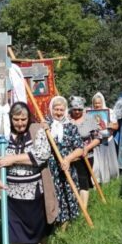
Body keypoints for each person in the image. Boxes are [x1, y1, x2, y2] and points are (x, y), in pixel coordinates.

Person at [0, 102, 57, 244]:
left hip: (35, 191)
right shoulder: (2, 136)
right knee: (15, 232)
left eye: (23, 119)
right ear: (10, 118)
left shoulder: (36, 131)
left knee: (40, 227)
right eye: (16, 119)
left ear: (29, 118)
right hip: (11, 193)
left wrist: (13, 159)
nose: (19, 123)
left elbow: (42, 155)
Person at [44, 96, 84, 226]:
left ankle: (65, 226)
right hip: (50, 167)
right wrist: (42, 128)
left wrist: (67, 159)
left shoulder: (70, 126)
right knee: (53, 194)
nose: (59, 112)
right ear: (51, 109)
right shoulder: (45, 126)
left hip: (67, 166)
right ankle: (52, 223)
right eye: (56, 109)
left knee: (68, 193)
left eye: (62, 109)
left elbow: (80, 149)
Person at [68, 95, 101, 209]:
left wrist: (87, 148)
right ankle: (72, 206)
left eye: (79, 109)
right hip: (69, 156)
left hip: (86, 156)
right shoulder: (66, 119)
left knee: (83, 180)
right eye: (74, 109)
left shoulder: (89, 119)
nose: (77, 111)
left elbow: (98, 138)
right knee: (71, 180)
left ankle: (83, 208)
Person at [90, 92, 120, 184]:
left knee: (110, 163)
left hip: (108, 140)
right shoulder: (90, 113)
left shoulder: (109, 111)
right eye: (95, 103)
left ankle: (112, 179)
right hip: (96, 141)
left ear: (102, 102)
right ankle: (98, 180)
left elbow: (116, 126)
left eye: (99, 103)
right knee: (97, 164)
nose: (97, 105)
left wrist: (111, 125)